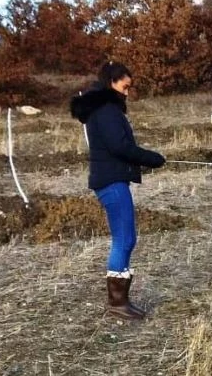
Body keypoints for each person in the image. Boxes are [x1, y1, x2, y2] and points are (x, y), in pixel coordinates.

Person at [70, 61, 165, 319]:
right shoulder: (106, 110)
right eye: (125, 87)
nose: (126, 93)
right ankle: (117, 304)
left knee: (126, 238)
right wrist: (151, 158)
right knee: (124, 239)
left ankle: (119, 301)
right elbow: (119, 147)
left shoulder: (102, 108)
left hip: (112, 180)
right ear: (112, 81)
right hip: (111, 182)